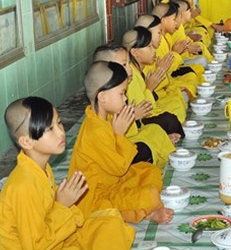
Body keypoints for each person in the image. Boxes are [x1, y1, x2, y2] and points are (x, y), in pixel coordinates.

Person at [0, 97, 134, 250]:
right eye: (50, 129)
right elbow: (34, 247)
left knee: (109, 221)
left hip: (54, 245)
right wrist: (62, 206)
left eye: (58, 123)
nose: (61, 132)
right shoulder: (23, 185)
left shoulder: (41, 169)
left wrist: (64, 207)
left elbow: (48, 217)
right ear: (26, 141)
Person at [68, 61, 174, 224]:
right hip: (95, 196)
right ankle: (146, 212)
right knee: (148, 195)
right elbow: (119, 168)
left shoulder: (106, 117)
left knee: (150, 171)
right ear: (102, 96)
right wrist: (119, 134)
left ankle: (143, 207)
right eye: (121, 93)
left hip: (113, 182)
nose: (125, 98)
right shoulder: (95, 130)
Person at [92, 43, 176, 168]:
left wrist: (133, 117)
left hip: (128, 140)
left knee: (155, 130)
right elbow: (108, 153)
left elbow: (138, 119)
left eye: (128, 64)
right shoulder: (98, 113)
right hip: (115, 158)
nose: (129, 69)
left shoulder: (119, 88)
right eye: (124, 65)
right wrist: (125, 124)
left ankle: (158, 147)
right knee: (144, 149)